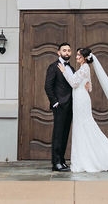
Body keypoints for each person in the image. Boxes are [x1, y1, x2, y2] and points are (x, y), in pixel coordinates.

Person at [44, 42, 74, 172]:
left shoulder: (71, 68)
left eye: (68, 50)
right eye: (64, 50)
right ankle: (56, 163)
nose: (67, 52)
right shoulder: (53, 67)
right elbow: (48, 86)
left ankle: (62, 160)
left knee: (65, 134)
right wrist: (55, 103)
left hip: (71, 106)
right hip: (60, 106)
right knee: (58, 134)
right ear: (59, 52)